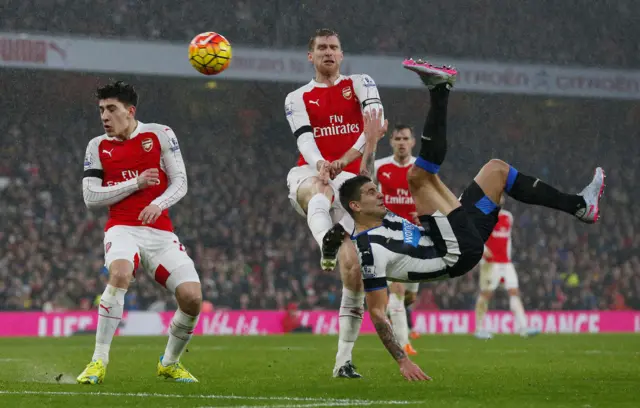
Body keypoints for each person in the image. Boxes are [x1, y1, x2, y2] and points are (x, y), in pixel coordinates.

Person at [339, 59, 605, 380]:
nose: (379, 194)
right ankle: (440, 90)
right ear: (356, 207)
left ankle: (579, 205)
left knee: (496, 171)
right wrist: (401, 360)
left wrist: (370, 141)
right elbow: (378, 314)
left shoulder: (372, 213)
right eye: (371, 194)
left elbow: (365, 176)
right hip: (452, 253)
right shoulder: (367, 248)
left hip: (454, 239)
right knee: (418, 177)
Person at [77, 81, 201, 384]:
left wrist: (158, 204)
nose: (105, 116)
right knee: (119, 274)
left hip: (159, 233)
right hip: (121, 228)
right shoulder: (97, 146)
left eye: (111, 109)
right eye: (101, 110)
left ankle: (169, 363)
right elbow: (91, 197)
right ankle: (98, 362)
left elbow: (180, 182)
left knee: (192, 298)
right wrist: (135, 184)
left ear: (130, 111)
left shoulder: (159, 134)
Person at [284, 28, 384, 378]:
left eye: (334, 48)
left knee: (353, 272)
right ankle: (325, 242)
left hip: (352, 183)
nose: (329, 52)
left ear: (342, 55)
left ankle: (343, 361)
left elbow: (373, 125)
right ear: (310, 57)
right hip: (310, 173)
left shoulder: (360, 83)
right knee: (318, 189)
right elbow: (305, 140)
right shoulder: (296, 97)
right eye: (322, 48)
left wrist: (346, 158)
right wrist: (323, 164)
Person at [374, 125, 419, 354]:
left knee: (410, 294)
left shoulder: (421, 169)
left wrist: (426, 216)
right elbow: (367, 194)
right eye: (398, 138)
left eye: (406, 138)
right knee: (398, 290)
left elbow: (433, 196)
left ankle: (393, 313)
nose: (402, 142)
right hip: (389, 234)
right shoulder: (379, 167)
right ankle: (403, 344)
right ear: (391, 141)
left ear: (412, 142)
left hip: (416, 235)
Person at [474, 203, 541, 339]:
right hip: (490, 264)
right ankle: (479, 329)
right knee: (486, 294)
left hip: (506, 262)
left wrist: (508, 257)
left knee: (514, 292)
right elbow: (476, 237)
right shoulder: (483, 218)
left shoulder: (507, 217)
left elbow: (507, 240)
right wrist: (484, 251)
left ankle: (523, 328)